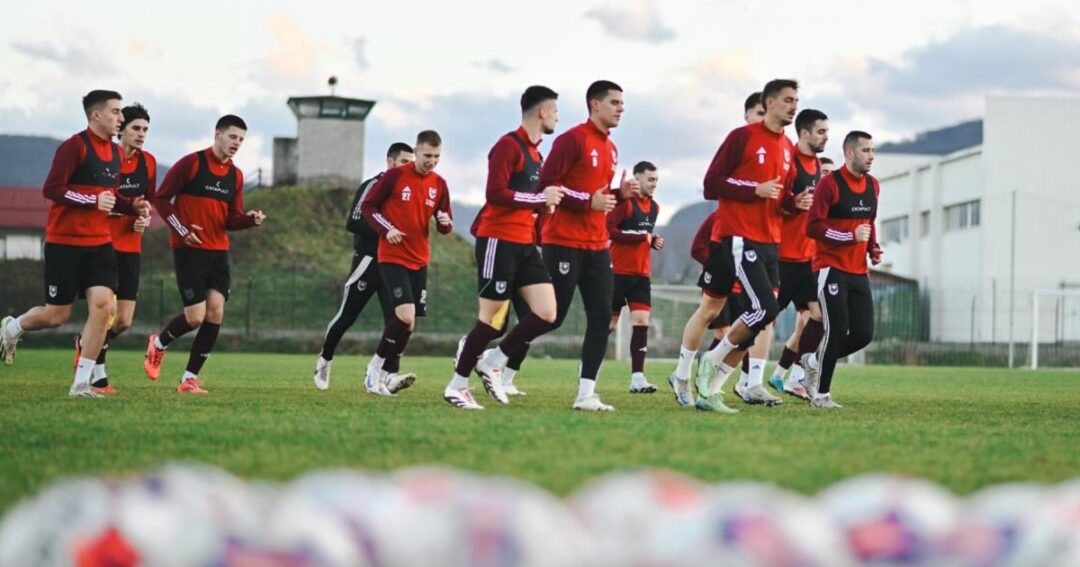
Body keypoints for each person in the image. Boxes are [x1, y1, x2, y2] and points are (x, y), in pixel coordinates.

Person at [672, 79, 810, 413]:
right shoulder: (741, 137)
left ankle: (711, 391)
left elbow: (779, 198)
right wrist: (753, 189)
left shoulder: (788, 147)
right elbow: (710, 184)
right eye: (788, 100)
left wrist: (795, 202)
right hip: (740, 237)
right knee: (763, 310)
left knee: (760, 318)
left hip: (770, 241)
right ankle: (707, 361)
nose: (794, 105)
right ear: (771, 103)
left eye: (797, 100)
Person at [1, 90, 149, 398]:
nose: (121, 118)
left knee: (104, 307)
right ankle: (13, 328)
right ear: (96, 115)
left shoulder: (115, 153)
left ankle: (81, 385)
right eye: (116, 112)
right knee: (57, 316)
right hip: (64, 244)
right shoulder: (74, 147)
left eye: (121, 113)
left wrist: (130, 206)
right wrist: (93, 200)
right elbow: (52, 189)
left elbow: (108, 198)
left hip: (100, 245)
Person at [446, 86, 562, 409]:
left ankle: (493, 360)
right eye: (555, 111)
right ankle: (456, 386)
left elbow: (526, 199)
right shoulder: (507, 146)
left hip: (525, 244)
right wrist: (539, 198)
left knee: (548, 313)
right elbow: (495, 193)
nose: (557, 117)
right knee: (491, 320)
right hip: (498, 240)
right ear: (542, 112)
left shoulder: (537, 155)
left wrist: (543, 208)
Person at [535, 80, 639, 412]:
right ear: (595, 105)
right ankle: (493, 355)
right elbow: (548, 185)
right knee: (552, 316)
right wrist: (586, 201)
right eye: (614, 102)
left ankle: (586, 394)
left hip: (597, 245)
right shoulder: (572, 140)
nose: (621, 108)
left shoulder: (611, 149)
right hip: (563, 241)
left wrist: (619, 194)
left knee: (602, 319)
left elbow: (598, 197)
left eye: (623, 103)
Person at [143, 115, 266, 394]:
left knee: (215, 313)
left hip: (218, 251)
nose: (236, 143)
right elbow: (161, 199)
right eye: (233, 137)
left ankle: (189, 379)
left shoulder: (235, 175)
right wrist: (183, 229)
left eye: (241, 140)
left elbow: (230, 219)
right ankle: (158, 343)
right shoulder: (192, 163)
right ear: (218, 134)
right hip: (189, 250)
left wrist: (249, 219)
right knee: (196, 316)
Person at [313, 142, 416, 392]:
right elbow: (354, 221)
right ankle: (325, 359)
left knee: (398, 320)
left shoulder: (410, 190)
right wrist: (386, 230)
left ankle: (390, 373)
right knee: (347, 315)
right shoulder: (374, 185)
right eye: (404, 162)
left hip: (395, 263)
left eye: (411, 163)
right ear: (390, 162)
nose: (409, 167)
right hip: (369, 261)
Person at [360, 130, 453, 397]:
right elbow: (369, 207)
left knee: (408, 324)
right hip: (392, 256)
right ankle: (374, 370)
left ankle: (389, 376)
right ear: (416, 151)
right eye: (427, 155)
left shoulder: (440, 184)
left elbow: (445, 221)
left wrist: (445, 224)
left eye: (436, 156)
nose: (432, 161)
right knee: (404, 316)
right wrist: (386, 229)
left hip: (420, 259)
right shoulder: (395, 176)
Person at [73, 103, 156, 394]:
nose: (142, 134)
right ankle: (98, 376)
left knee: (123, 321)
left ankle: (85, 344)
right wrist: (121, 212)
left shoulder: (149, 163)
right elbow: (97, 201)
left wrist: (143, 219)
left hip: (132, 248)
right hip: (102, 244)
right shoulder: (107, 159)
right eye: (136, 128)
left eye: (146, 129)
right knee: (105, 310)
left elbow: (148, 202)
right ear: (121, 128)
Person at [803, 131, 882, 408]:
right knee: (836, 330)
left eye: (873, 151)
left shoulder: (873, 185)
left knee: (863, 334)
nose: (871, 156)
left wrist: (873, 247)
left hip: (859, 271)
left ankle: (812, 361)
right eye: (866, 151)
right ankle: (821, 396)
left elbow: (868, 222)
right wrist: (849, 237)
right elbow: (812, 226)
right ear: (849, 153)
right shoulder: (830, 184)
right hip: (830, 267)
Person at [764, 109, 828, 401]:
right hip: (782, 256)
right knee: (762, 320)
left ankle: (796, 374)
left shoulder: (815, 165)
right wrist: (792, 203)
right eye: (821, 132)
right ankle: (721, 366)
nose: (826, 136)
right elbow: (773, 201)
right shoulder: (787, 158)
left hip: (807, 260)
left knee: (817, 316)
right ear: (805, 133)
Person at [608, 160, 664, 393]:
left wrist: (654, 241)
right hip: (617, 273)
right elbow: (609, 230)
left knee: (641, 323)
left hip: (641, 275)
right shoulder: (627, 204)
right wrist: (640, 237)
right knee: (608, 325)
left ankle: (637, 378)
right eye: (650, 180)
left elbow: (644, 237)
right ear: (637, 178)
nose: (653, 184)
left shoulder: (655, 207)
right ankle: (588, 370)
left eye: (656, 181)